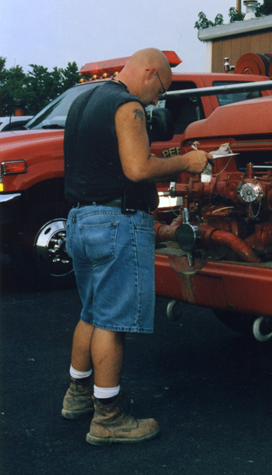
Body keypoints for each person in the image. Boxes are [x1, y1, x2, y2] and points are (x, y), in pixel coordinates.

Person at [61, 48, 212, 445]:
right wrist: (187, 161)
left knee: (91, 313)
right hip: (116, 223)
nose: (159, 99)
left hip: (80, 219)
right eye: (161, 89)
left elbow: (108, 160)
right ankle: (108, 418)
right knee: (112, 323)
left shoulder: (83, 102)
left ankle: (77, 395)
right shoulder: (127, 107)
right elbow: (138, 169)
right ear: (149, 73)